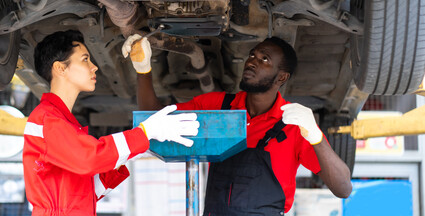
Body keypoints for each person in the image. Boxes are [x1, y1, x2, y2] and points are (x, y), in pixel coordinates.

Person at [122, 35, 352, 215]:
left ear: (281, 77)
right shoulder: (218, 107)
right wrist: (143, 70)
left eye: (264, 59)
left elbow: (343, 188)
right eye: (252, 55)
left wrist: (315, 136)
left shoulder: (294, 125)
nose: (252, 62)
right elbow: (154, 122)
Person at [23, 30, 199, 216]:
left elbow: (85, 192)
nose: (94, 67)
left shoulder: (59, 120)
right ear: (60, 68)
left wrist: (138, 149)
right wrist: (143, 134)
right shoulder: (47, 119)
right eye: (85, 59)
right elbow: (90, 159)